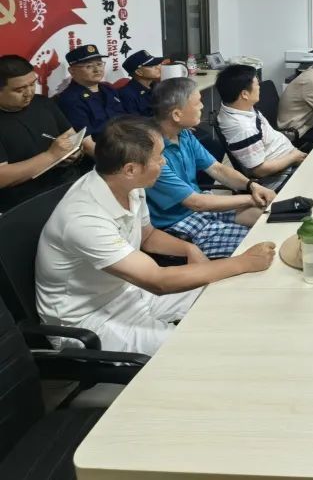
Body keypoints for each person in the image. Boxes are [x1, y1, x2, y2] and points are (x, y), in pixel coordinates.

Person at [36, 115, 276, 355]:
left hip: (127, 291)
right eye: (158, 157)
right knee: (199, 347)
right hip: (90, 320)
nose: (164, 162)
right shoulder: (84, 219)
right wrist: (243, 262)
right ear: (131, 169)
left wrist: (189, 248)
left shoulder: (128, 185)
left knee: (228, 292)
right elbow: (157, 281)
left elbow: (148, 236)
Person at [146, 78, 276, 259]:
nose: (202, 106)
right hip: (180, 224)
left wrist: (252, 186)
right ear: (176, 114)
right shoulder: (152, 154)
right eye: (197, 102)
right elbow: (195, 202)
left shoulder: (183, 134)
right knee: (261, 244)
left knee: (272, 217)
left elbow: (217, 169)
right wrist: (250, 198)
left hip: (202, 208)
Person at [0, 55, 85, 211]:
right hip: (27, 200)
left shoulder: (43, 102)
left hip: (69, 184)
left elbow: (71, 136)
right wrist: (51, 156)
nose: (29, 93)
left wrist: (74, 152)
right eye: (19, 89)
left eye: (32, 84)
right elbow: (2, 177)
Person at [215, 64, 306, 190]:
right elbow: (260, 171)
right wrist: (294, 157)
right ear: (244, 94)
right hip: (280, 176)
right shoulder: (244, 129)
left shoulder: (236, 106)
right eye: (257, 84)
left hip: (288, 158)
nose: (259, 87)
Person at [56, 44, 124, 156]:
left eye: (99, 64)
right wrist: (115, 162)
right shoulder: (70, 99)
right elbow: (87, 144)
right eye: (89, 66)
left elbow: (125, 120)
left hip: (127, 144)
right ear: (72, 71)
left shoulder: (109, 90)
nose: (97, 70)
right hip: (105, 154)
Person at [117, 49, 166, 116]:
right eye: (152, 66)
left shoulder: (158, 86)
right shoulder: (127, 95)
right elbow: (135, 121)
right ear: (139, 72)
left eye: (157, 64)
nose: (159, 68)